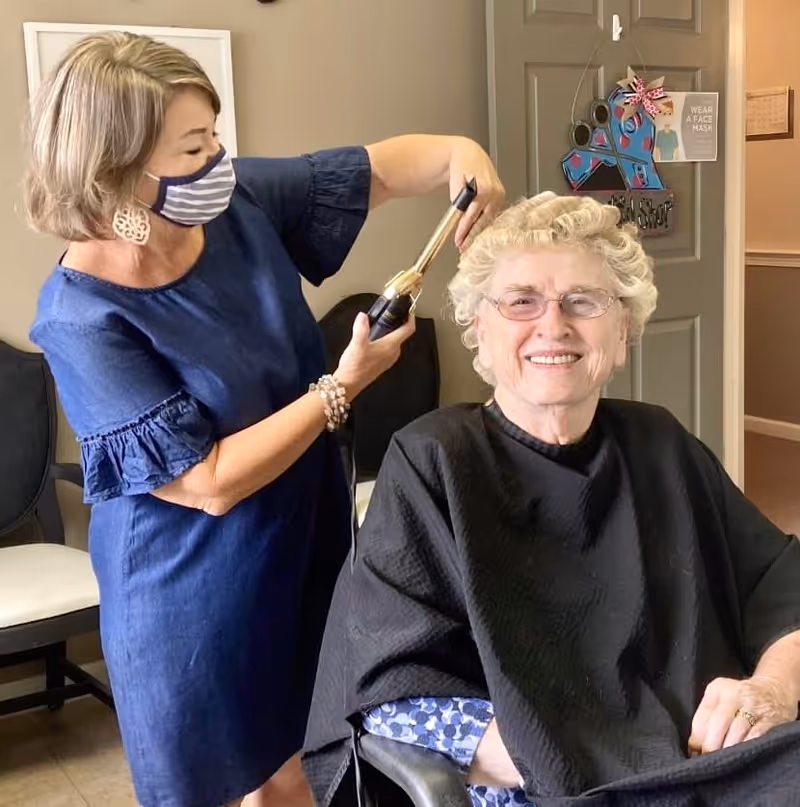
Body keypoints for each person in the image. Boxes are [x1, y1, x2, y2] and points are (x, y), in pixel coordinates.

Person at [23, 31, 505, 807]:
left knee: (301, 761)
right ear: (113, 171)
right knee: (220, 778)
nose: (217, 159)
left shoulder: (235, 202)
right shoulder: (82, 318)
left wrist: (460, 153)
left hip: (303, 542)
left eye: (214, 134)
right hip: (191, 589)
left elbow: (378, 168)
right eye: (192, 148)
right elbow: (208, 481)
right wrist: (341, 387)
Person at [303, 193, 800, 807]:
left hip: (708, 762)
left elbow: (782, 583)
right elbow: (390, 689)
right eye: (521, 302)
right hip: (547, 786)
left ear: (622, 331)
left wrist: (772, 688)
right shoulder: (433, 460)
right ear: (480, 334)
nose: (554, 325)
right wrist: (579, 757)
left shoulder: (660, 442)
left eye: (583, 302)